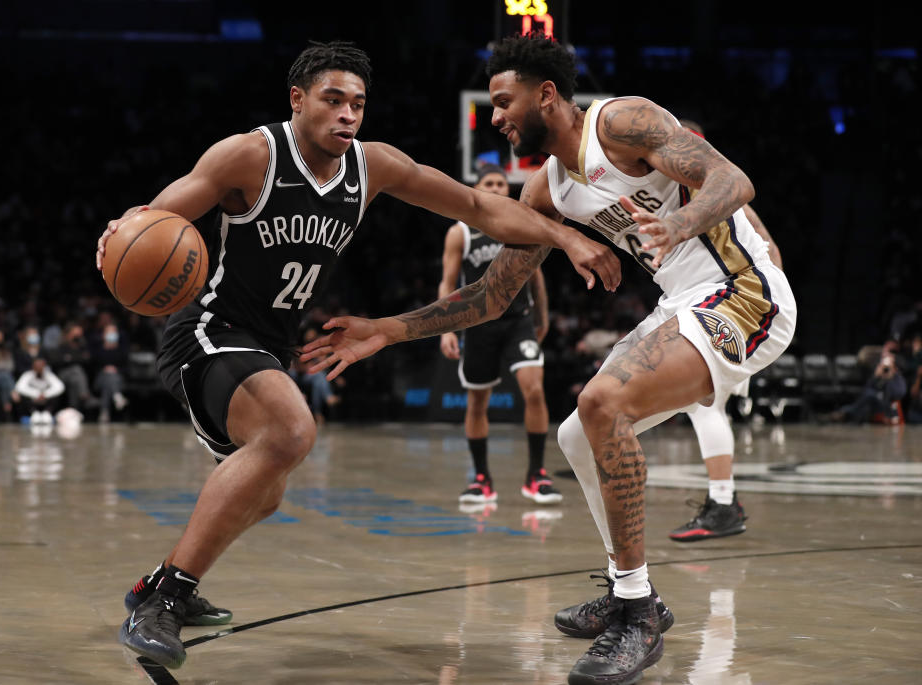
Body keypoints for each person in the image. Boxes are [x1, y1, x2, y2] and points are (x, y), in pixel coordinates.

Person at [94, 40, 616, 670]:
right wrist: (119, 234)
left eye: (358, 105)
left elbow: (478, 206)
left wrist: (563, 234)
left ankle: (157, 583)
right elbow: (154, 218)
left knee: (267, 494)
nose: (347, 115)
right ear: (297, 100)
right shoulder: (249, 156)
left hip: (269, 346)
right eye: (333, 100)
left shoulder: (374, 168)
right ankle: (164, 603)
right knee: (291, 430)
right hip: (208, 329)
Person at [300, 33, 797, 685]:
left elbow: (732, 179)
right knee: (578, 434)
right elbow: (490, 295)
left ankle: (636, 613)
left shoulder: (621, 121)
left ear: (547, 95)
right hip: (683, 298)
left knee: (602, 403)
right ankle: (630, 594)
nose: (496, 116)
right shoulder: (547, 191)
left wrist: (678, 224)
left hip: (744, 289)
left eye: (504, 102)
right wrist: (387, 330)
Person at [668, 119, 784, 543]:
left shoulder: (716, 191)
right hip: (721, 306)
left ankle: (723, 504)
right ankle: (723, 501)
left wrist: (753, 313)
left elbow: (769, 252)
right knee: (701, 406)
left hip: (738, 308)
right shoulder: (679, 192)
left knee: (703, 406)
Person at [438, 162, 561, 506]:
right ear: (478, 188)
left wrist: (542, 316)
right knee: (478, 401)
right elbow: (448, 283)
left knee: (534, 389)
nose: (495, 187)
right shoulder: (460, 232)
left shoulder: (520, 225)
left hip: (517, 320)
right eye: (488, 183)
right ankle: (481, 479)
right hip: (478, 325)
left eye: (500, 183)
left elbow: (535, 276)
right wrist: (445, 328)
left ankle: (536, 475)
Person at [13, 356, 65, 425]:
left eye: (41, 366)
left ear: (44, 366)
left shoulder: (49, 375)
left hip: (46, 401)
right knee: (20, 395)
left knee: (57, 395)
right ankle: (33, 413)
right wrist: (36, 394)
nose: (39, 368)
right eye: (37, 366)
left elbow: (60, 387)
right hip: (32, 401)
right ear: (33, 366)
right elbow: (19, 387)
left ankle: (47, 413)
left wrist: (45, 394)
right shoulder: (27, 375)